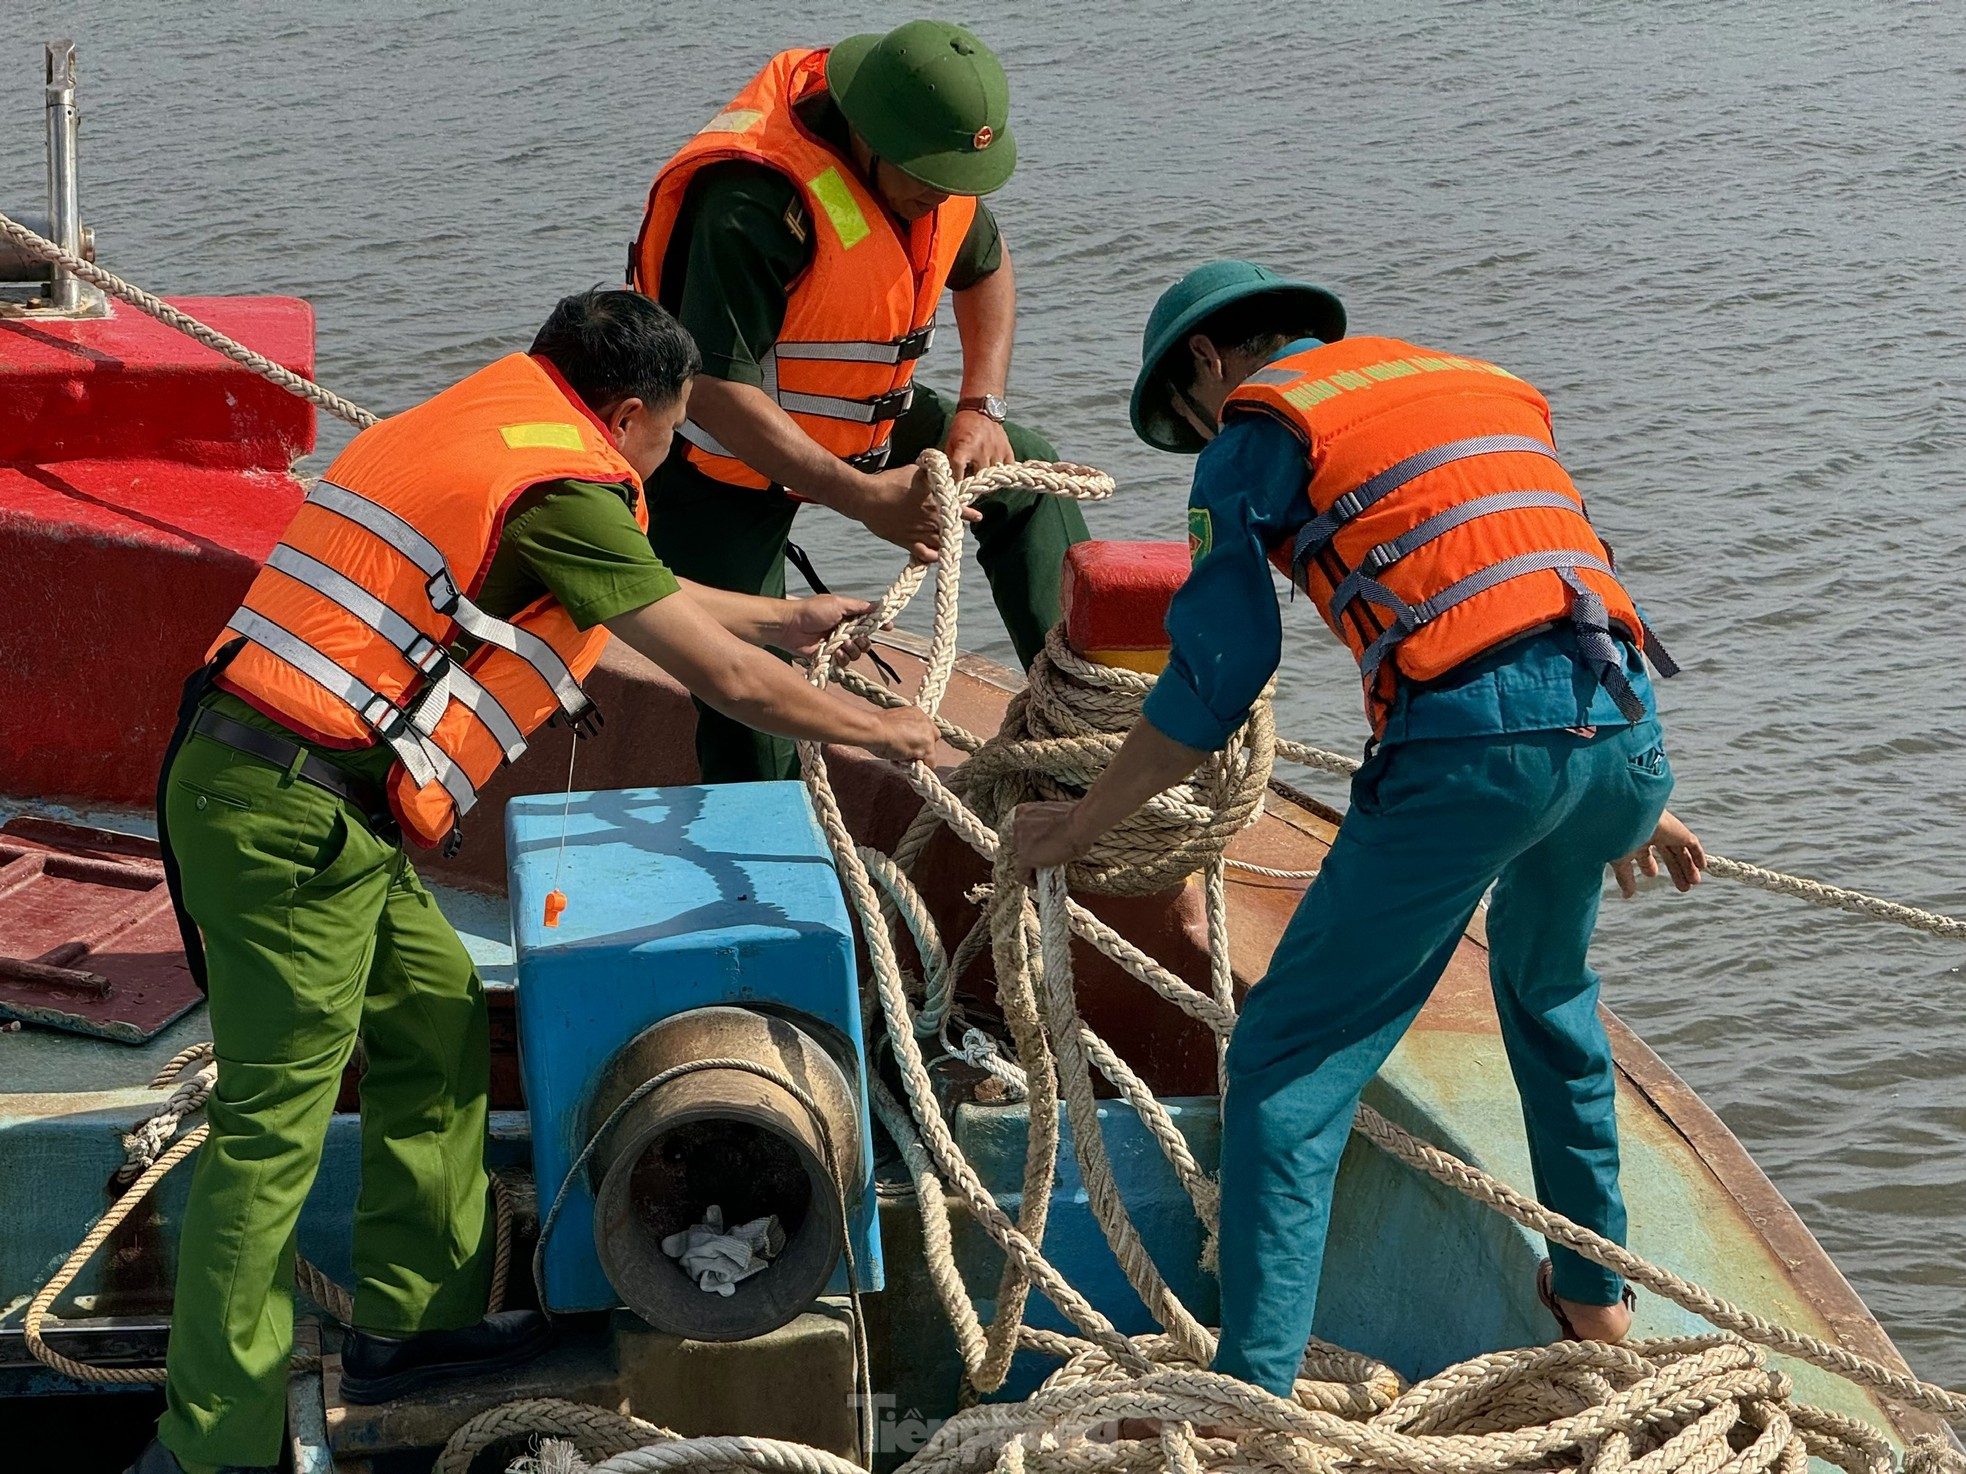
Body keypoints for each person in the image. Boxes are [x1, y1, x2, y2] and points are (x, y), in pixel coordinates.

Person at [129, 289, 935, 1474]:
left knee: (437, 1015)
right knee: (270, 1135)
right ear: (626, 412)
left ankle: (418, 1323)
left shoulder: (491, 421)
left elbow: (646, 598)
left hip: (305, 800)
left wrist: (791, 614)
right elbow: (724, 682)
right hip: (282, 818)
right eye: (670, 437)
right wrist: (893, 734)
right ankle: (211, 1445)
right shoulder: (565, 486)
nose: (665, 460)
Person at [1012, 260, 1708, 1400]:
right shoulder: (1466, 385)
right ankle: (1592, 1300)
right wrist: (1629, 787)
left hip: (1471, 759)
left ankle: (1251, 1399)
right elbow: (1532, 577)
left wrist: (1086, 816)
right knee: (1550, 1000)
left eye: (1186, 419)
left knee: (1286, 1061)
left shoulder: (1255, 431)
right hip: (1620, 730)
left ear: (1204, 362)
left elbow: (1217, 674)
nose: (1201, 436)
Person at [628, 18, 1089, 784]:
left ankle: (1079, 728)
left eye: (957, 181)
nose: (942, 196)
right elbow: (710, 391)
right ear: (867, 135)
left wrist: (982, 407)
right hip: (719, 463)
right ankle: (769, 871)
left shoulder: (934, 172)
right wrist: (864, 498)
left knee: (1026, 478)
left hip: (860, 415)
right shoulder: (750, 201)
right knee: (752, 696)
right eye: (928, 179)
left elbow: (987, 268)